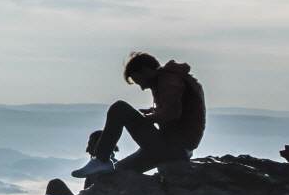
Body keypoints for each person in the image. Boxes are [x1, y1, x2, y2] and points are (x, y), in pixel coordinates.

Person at [70, 52, 205, 179]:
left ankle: (101, 159)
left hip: (173, 149)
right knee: (115, 173)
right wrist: (154, 113)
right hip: (175, 149)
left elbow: (172, 113)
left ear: (146, 70)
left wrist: (149, 118)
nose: (142, 87)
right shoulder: (169, 80)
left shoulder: (169, 80)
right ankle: (103, 165)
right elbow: (175, 112)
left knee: (119, 108)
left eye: (139, 80)